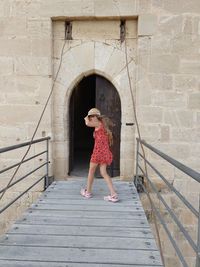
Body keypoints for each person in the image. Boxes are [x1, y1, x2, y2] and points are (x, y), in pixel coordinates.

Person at [80, 108, 119, 203]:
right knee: (104, 173)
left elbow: (87, 123)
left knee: (91, 172)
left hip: (98, 152)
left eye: (91, 117)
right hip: (104, 152)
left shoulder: (97, 123)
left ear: (95, 117)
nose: (90, 119)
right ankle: (113, 194)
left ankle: (88, 192)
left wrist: (85, 117)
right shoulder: (101, 124)